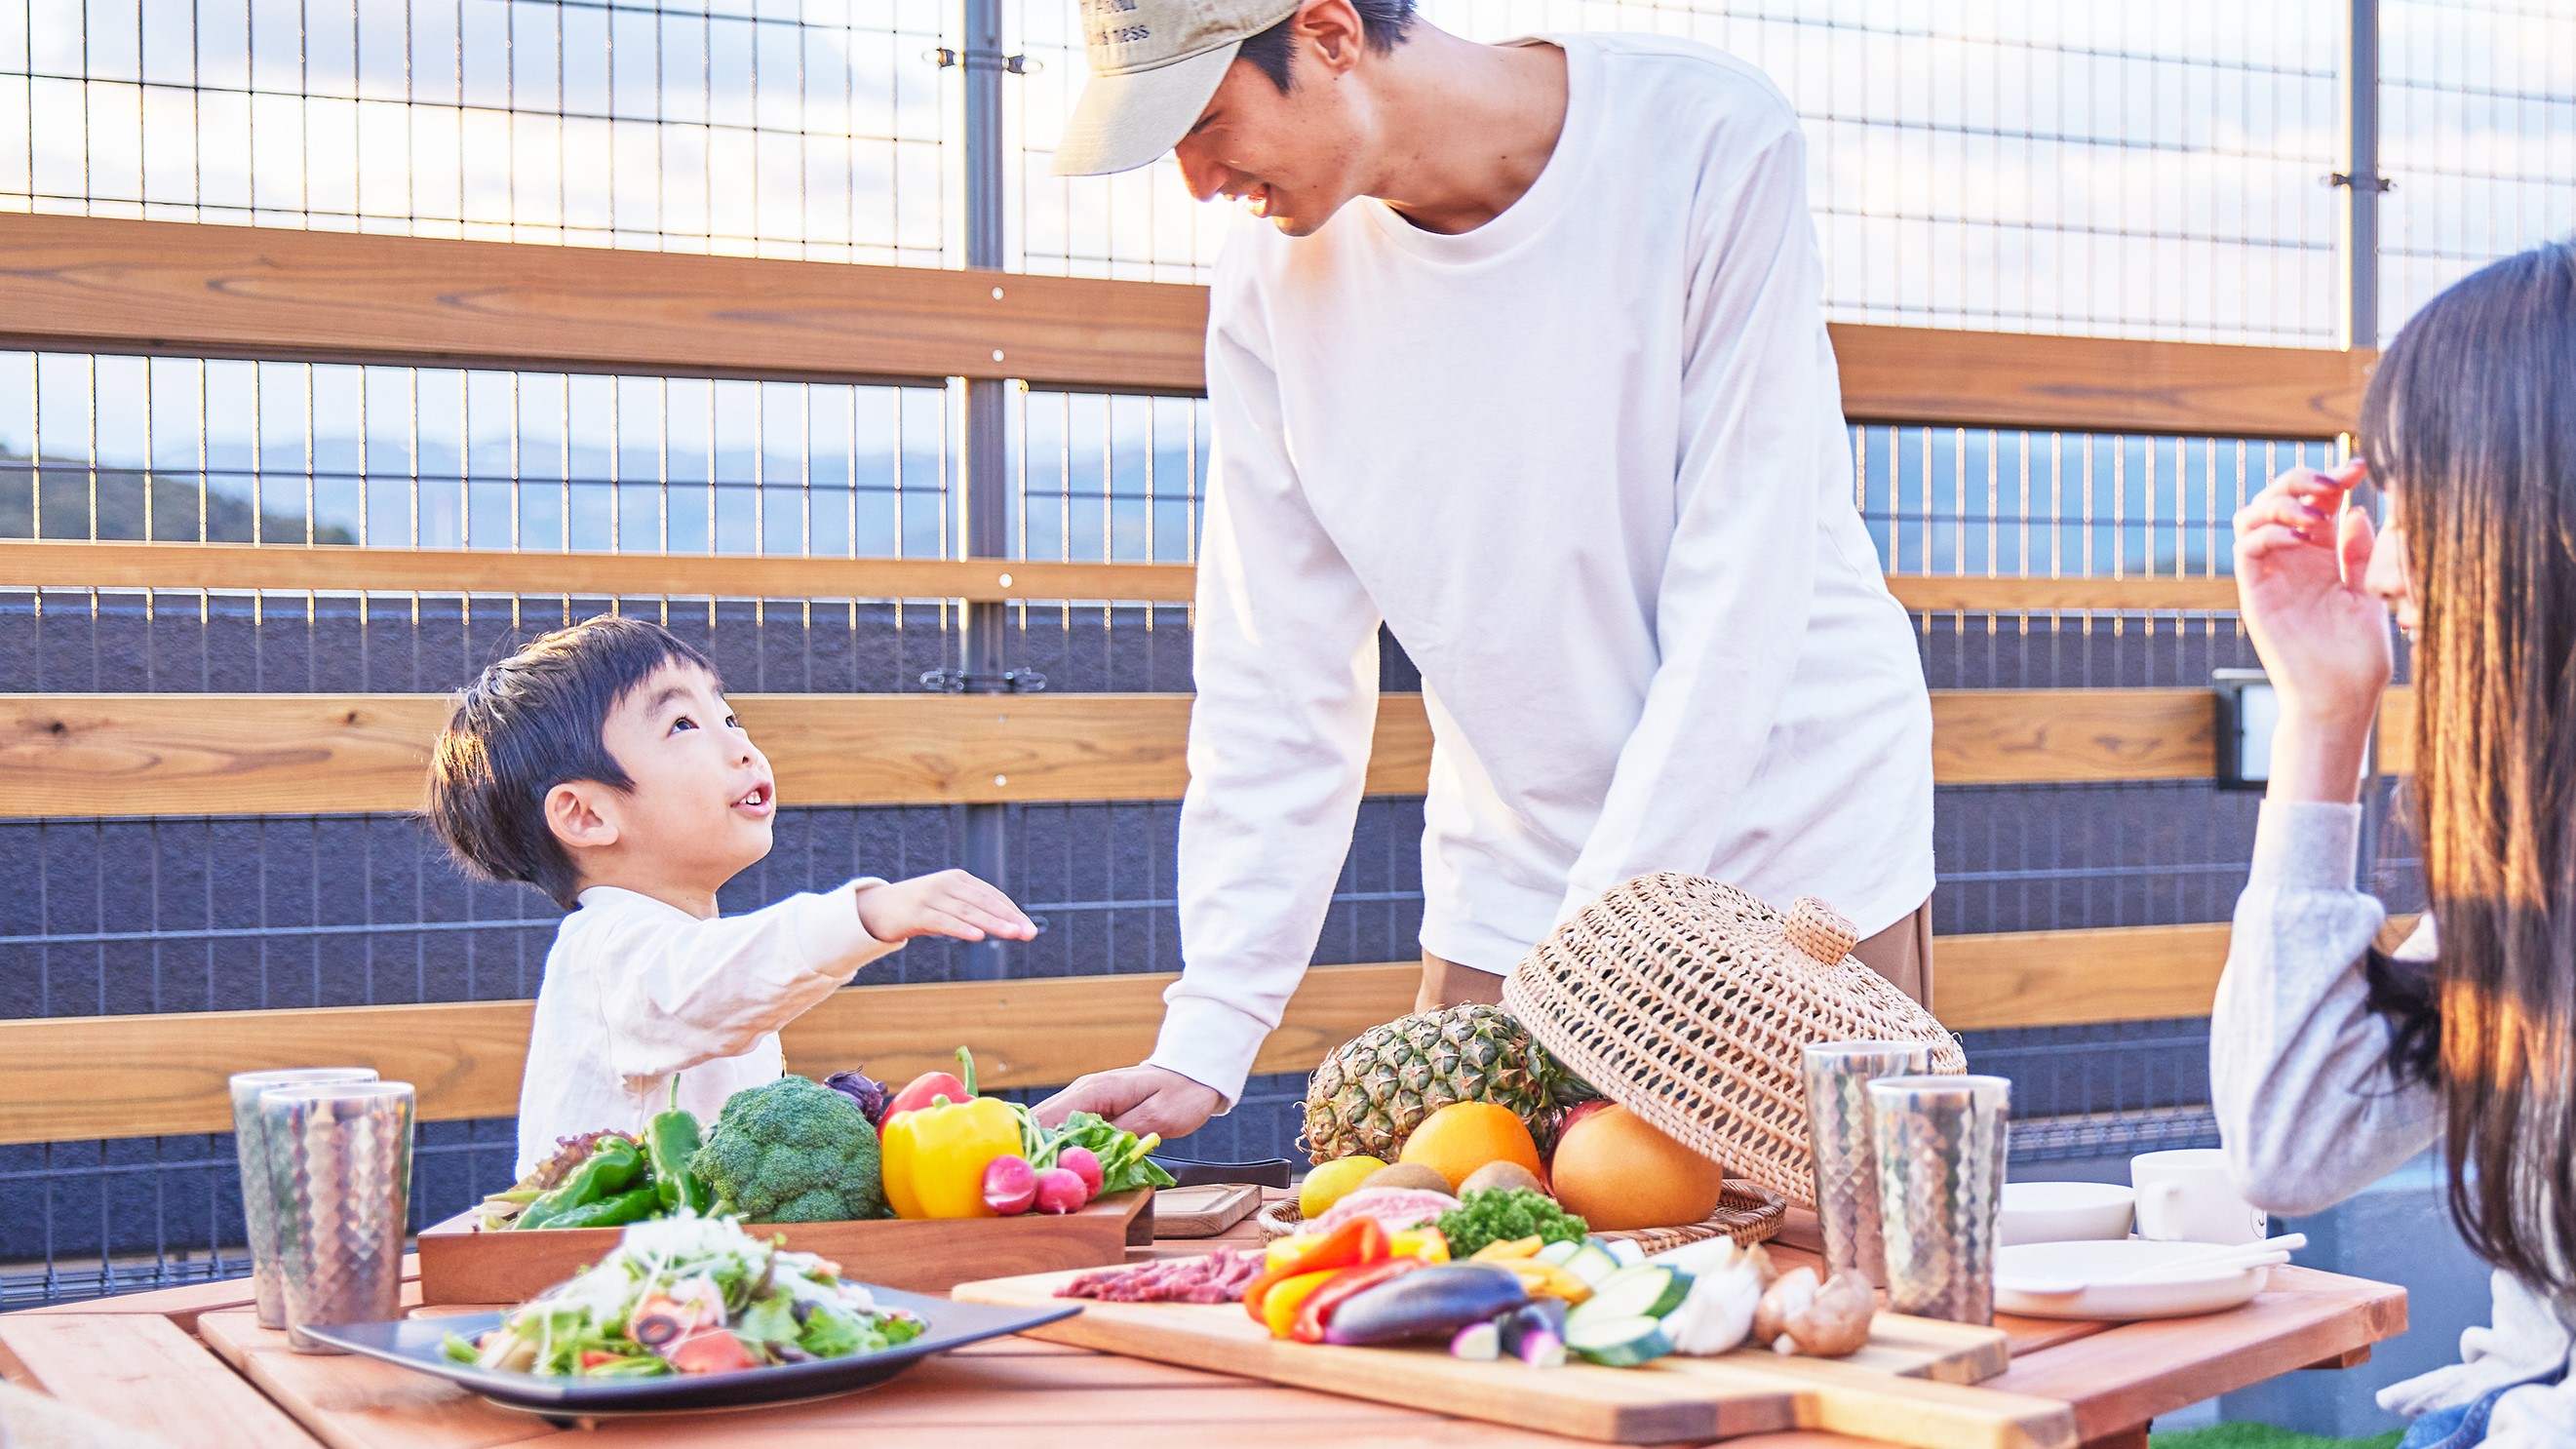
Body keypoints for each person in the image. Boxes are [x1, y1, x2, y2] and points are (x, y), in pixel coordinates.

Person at [1036, 0, 1934, 1139]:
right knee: (1461, 1277)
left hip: (1790, 860)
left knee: (1819, 1287)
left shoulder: (1701, 136)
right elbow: (1274, 672)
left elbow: (1740, 582)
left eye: (1208, 119)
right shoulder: (1267, 288)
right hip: (1510, 886)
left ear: (1325, 33)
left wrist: (1598, 962)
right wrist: (1211, 1026)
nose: (1198, 180)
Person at [2216, 240, 2576, 1447]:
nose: (2376, 559)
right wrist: (2323, 717)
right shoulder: (2536, 854)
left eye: (2414, 496)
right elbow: (2291, 1145)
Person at [424, 615, 1035, 1176]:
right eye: (682, 725)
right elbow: (713, 982)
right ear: (586, 815)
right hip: (609, 1280)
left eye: (728, 716)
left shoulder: (684, 943)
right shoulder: (607, 951)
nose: (742, 745)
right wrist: (868, 914)